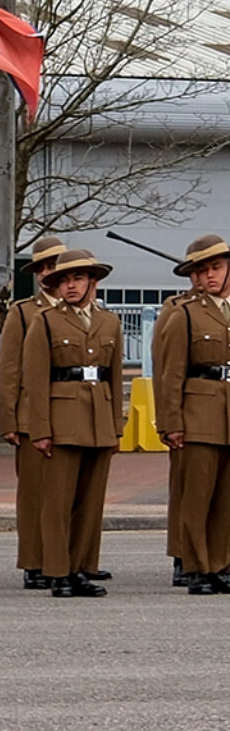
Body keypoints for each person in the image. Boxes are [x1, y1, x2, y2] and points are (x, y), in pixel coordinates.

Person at [19, 248, 123, 599]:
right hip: (61, 419)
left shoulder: (109, 322)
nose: (70, 286)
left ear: (93, 281)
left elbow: (115, 375)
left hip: (98, 418)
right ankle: (58, 571)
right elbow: (35, 380)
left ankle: (80, 568)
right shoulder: (45, 321)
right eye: (63, 280)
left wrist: (116, 427)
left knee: (89, 503)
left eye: (77, 278)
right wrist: (41, 430)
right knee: (58, 502)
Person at [155, 234, 230, 595]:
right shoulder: (184, 312)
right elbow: (170, 373)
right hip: (199, 412)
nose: (210, 276)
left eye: (216, 267)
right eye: (202, 270)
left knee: (226, 498)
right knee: (197, 496)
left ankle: (221, 564)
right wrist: (171, 423)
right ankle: (197, 566)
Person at [0, 235, 66, 590]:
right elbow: (10, 369)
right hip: (29, 414)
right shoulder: (23, 312)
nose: (48, 273)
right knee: (35, 492)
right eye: (42, 267)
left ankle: (68, 560)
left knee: (67, 493)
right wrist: (9, 418)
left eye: (53, 265)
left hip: (70, 413)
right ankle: (34, 561)